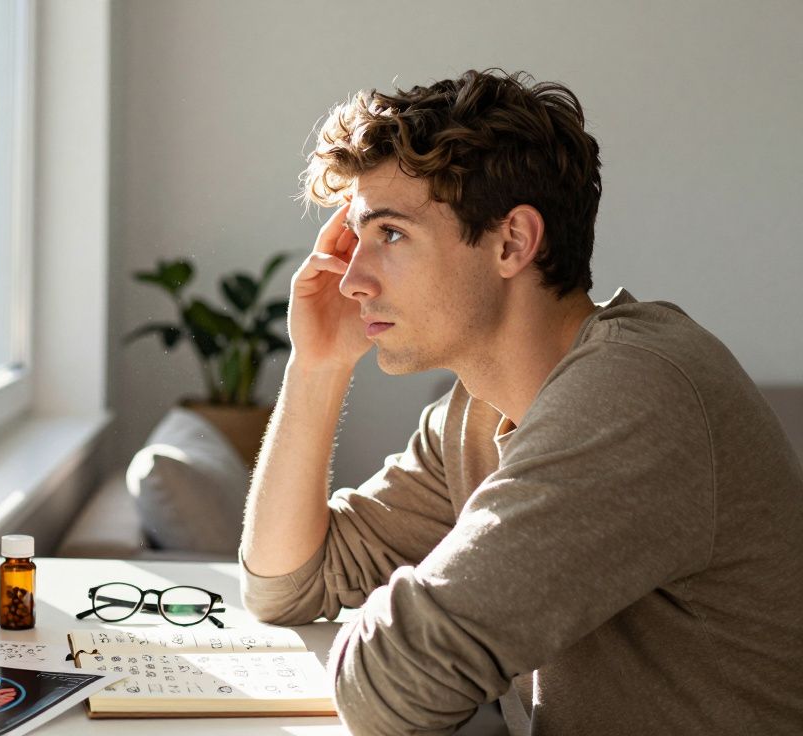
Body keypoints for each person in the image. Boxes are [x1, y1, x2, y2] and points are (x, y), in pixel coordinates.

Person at [238, 68, 803, 735]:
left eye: (389, 235)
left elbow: (392, 686)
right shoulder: (475, 411)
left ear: (512, 242)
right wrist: (318, 367)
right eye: (357, 239)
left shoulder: (636, 393)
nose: (353, 279)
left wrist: (420, 620)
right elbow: (286, 585)